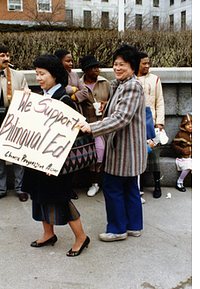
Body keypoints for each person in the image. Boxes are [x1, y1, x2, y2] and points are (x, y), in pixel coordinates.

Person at [22, 54, 90, 257]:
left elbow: (69, 138)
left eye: (42, 74)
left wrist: (54, 164)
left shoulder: (64, 100)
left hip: (55, 162)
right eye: (37, 74)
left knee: (60, 198)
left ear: (55, 75)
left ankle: (81, 238)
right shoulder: (42, 96)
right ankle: (48, 233)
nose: (39, 78)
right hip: (38, 159)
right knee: (39, 195)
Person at [79, 44, 148, 242]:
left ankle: (117, 229)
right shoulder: (122, 85)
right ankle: (134, 226)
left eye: (123, 65)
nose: (117, 68)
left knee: (112, 187)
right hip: (127, 148)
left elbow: (121, 118)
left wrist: (93, 127)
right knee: (130, 187)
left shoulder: (132, 86)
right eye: (116, 64)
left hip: (124, 148)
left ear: (133, 67)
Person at [0, 44, 29, 203]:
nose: (6, 58)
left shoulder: (18, 76)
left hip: (14, 122)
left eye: (8, 55)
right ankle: (0, 190)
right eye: (3, 55)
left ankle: (21, 189)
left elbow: (26, 96)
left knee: (17, 156)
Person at [54, 49, 89, 199]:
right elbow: (61, 90)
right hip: (60, 119)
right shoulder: (55, 75)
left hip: (75, 117)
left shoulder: (74, 75)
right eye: (67, 60)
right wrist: (73, 89)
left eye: (71, 60)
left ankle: (69, 187)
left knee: (71, 153)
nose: (71, 63)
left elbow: (85, 91)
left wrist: (72, 94)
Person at [80, 55, 110, 197]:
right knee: (91, 156)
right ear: (85, 70)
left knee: (105, 152)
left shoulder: (106, 83)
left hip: (105, 125)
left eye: (98, 67)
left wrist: (106, 105)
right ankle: (94, 183)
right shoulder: (80, 85)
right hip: (88, 126)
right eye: (93, 68)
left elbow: (114, 101)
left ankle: (106, 183)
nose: (97, 70)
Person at [137, 51, 165, 199]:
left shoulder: (155, 79)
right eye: (144, 63)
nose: (147, 66)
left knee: (154, 156)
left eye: (148, 63)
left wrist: (159, 122)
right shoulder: (132, 79)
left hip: (152, 122)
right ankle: (139, 186)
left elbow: (159, 101)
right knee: (139, 154)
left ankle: (158, 185)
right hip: (137, 123)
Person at [171, 114, 192, 192]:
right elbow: (173, 145)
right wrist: (181, 150)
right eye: (188, 124)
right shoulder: (181, 134)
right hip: (184, 156)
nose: (190, 126)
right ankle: (180, 182)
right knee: (188, 165)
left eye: (192, 124)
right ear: (184, 125)